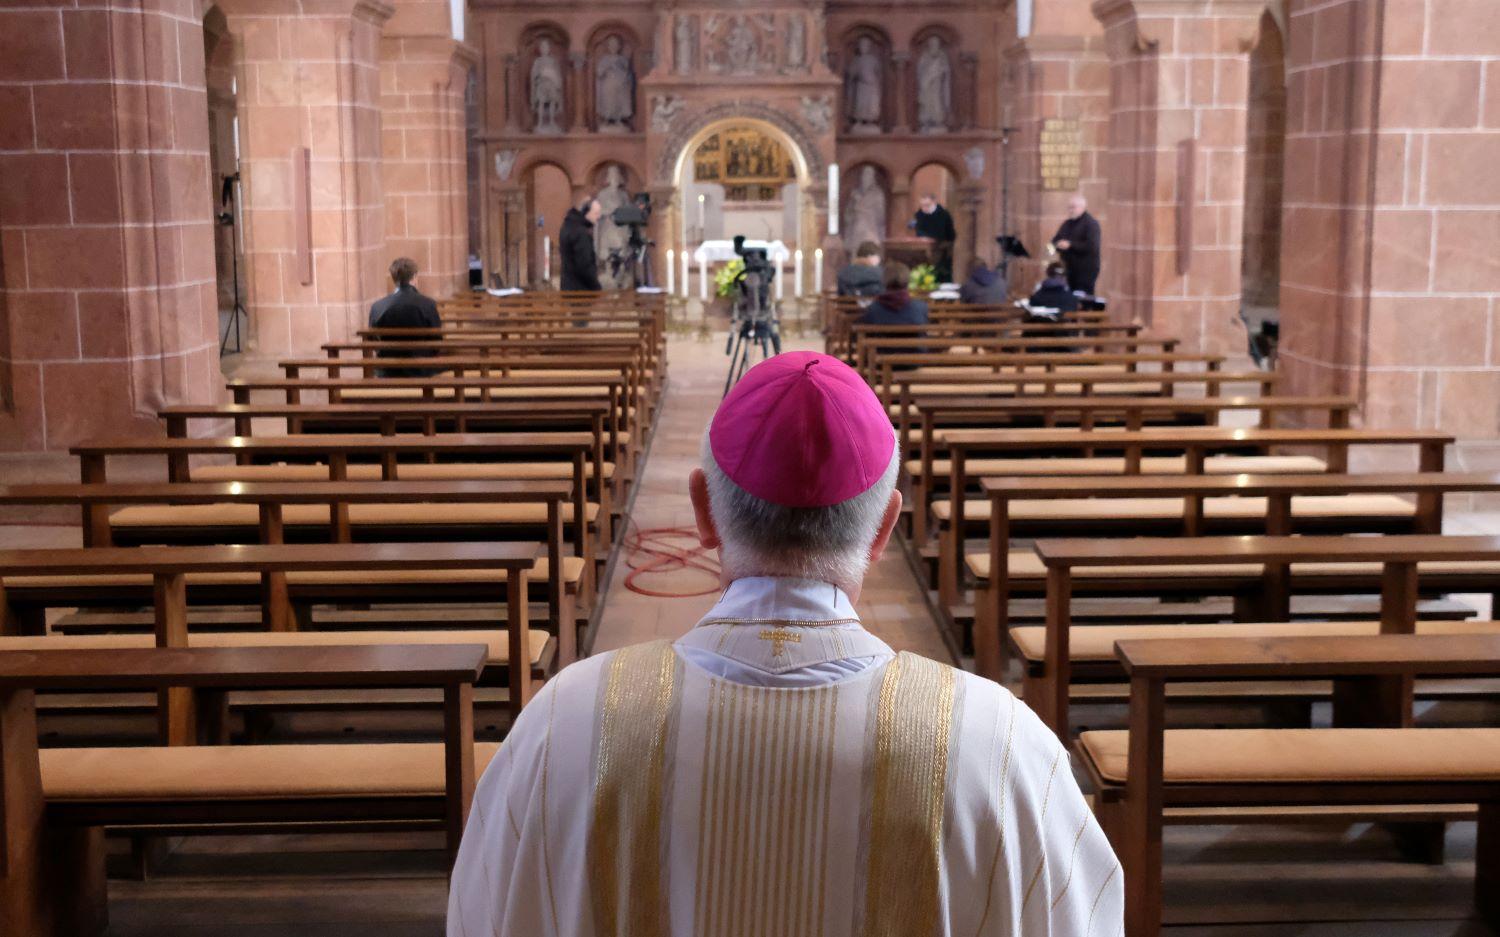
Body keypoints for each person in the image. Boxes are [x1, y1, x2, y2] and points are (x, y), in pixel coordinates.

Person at [446, 350, 1124, 937]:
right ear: (885, 527)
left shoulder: (561, 725)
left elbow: (482, 914)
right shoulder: (1000, 747)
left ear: (704, 511)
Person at [366, 257, 441, 377]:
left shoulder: (378, 306)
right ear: (415, 277)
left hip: (388, 370)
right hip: (421, 368)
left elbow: (372, 340)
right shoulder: (428, 304)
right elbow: (437, 340)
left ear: (393, 278)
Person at [1051, 194, 1101, 295]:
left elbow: (1092, 246)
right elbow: (1055, 240)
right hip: (1068, 269)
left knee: (1082, 299)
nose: (1070, 210)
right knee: (1069, 298)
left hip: (1085, 270)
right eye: (1069, 207)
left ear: (1082, 207)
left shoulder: (1091, 224)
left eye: (1073, 207)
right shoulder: (1067, 223)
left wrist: (1070, 245)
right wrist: (1057, 244)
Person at [559, 197, 603, 291]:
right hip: (581, 290)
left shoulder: (568, 226)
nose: (599, 217)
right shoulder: (581, 233)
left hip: (568, 286)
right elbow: (584, 264)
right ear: (586, 213)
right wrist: (596, 286)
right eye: (596, 213)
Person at [912, 193, 957, 282]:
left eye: (927, 205)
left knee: (941, 274)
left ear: (934, 203)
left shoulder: (943, 215)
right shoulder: (919, 214)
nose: (924, 208)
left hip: (942, 249)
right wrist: (923, 237)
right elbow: (919, 230)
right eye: (922, 206)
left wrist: (934, 239)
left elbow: (950, 234)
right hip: (925, 248)